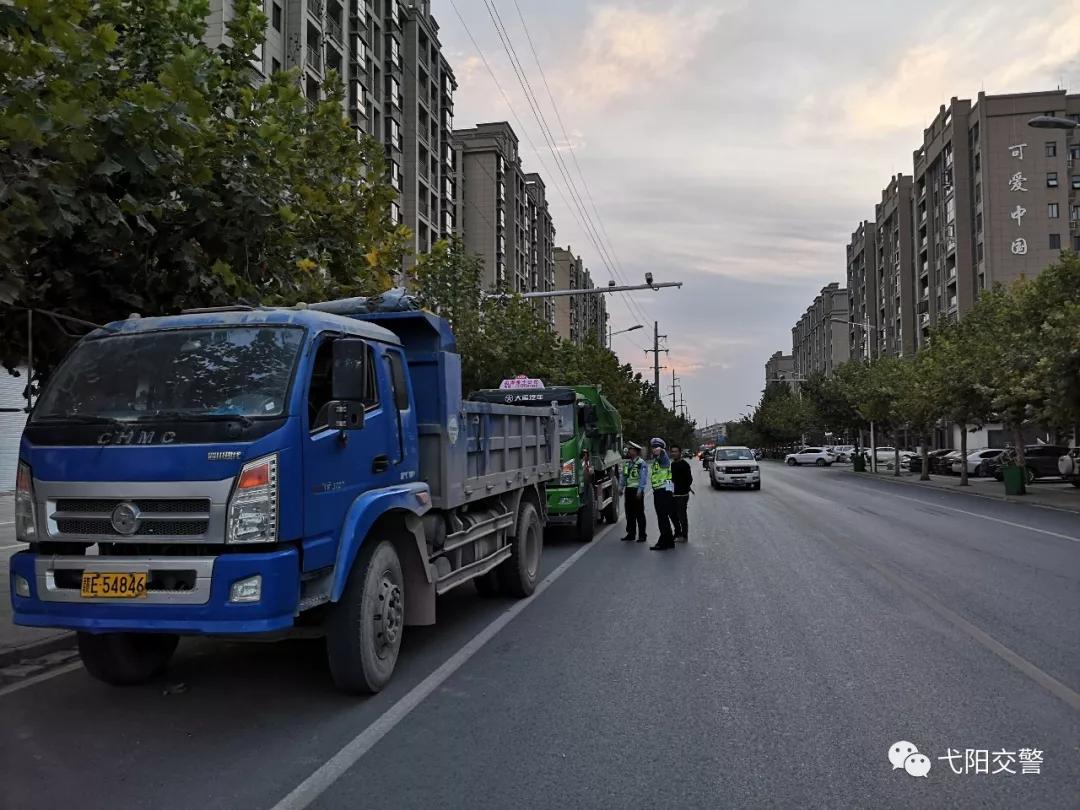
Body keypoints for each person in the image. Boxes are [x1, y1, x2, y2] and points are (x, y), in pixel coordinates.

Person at [648, 437, 676, 550]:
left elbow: (661, 452)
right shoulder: (657, 460)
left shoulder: (663, 457)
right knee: (663, 518)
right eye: (653, 447)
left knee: (662, 518)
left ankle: (664, 542)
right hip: (661, 491)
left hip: (663, 492)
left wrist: (660, 449)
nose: (654, 449)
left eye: (656, 447)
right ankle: (669, 541)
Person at [620, 442, 648, 543]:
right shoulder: (628, 463)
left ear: (635, 451)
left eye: (631, 450)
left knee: (639, 513)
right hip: (629, 490)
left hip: (637, 490)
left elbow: (643, 478)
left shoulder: (641, 463)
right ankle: (631, 534)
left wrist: (640, 490)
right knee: (629, 513)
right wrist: (621, 487)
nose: (629, 451)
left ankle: (642, 535)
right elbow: (624, 476)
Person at [670, 444, 692, 542]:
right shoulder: (672, 464)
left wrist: (683, 488)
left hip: (682, 494)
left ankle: (684, 536)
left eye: (676, 451)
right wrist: (669, 490)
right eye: (672, 451)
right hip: (673, 494)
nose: (674, 453)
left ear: (680, 452)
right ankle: (677, 533)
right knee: (673, 515)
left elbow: (689, 480)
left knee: (682, 515)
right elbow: (670, 479)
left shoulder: (685, 465)